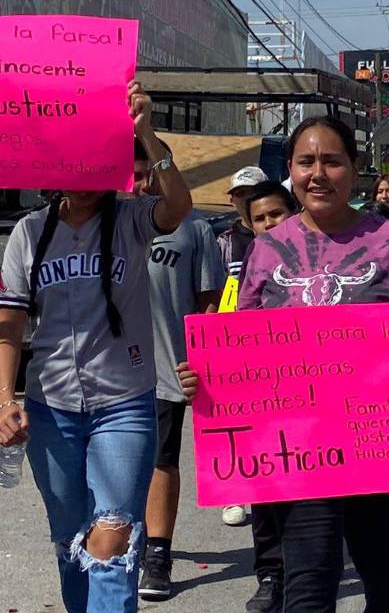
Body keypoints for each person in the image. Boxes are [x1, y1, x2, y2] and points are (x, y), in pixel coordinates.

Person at [179, 116, 389, 613]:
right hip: (300, 452)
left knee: (387, 579)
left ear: (354, 169)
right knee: (307, 588)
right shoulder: (266, 249)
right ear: (290, 169)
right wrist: (206, 378)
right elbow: (242, 345)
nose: (319, 173)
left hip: (381, 446)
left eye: (332, 161)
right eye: (306, 161)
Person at [0, 82, 191, 613]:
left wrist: (145, 131)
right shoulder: (29, 234)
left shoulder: (131, 220)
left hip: (123, 403)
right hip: (50, 407)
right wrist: (4, 399)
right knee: (70, 538)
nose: (81, 177)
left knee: (113, 535)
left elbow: (179, 204)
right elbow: (9, 323)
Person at [134, 142, 227, 601]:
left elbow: (207, 301)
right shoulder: (104, 223)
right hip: (105, 374)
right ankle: (117, 539)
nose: (142, 184)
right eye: (133, 175)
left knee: (159, 461)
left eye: (150, 173)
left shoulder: (196, 229)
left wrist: (203, 365)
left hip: (166, 370)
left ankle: (157, 552)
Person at [237, 180, 298, 613]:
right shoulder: (254, 258)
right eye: (259, 219)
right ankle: (271, 575)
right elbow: (242, 321)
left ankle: (308, 572)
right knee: (268, 485)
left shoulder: (322, 252)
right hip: (270, 389)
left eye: (275, 214)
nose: (268, 224)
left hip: (325, 391)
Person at [216, 165, 268, 527]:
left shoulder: (284, 234)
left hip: (278, 344)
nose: (246, 201)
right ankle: (234, 492)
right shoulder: (222, 241)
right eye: (240, 195)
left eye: (253, 193)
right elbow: (211, 292)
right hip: (232, 344)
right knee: (234, 420)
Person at [219, 166, 268, 280]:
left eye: (254, 191)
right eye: (241, 193)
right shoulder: (224, 243)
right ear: (232, 201)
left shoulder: (287, 235)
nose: (248, 198)